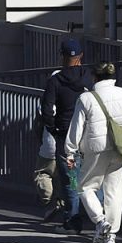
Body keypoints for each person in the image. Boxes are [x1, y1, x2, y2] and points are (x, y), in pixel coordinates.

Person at [63, 61, 122, 243]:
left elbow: (76, 127)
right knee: (115, 191)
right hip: (120, 148)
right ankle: (111, 235)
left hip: (96, 148)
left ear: (95, 77)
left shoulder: (86, 98)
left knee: (84, 186)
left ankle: (100, 221)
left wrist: (70, 151)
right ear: (113, 77)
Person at [39, 39, 94, 229]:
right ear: (81, 57)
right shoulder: (88, 77)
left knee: (71, 179)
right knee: (92, 177)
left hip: (65, 135)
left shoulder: (55, 80)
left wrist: (53, 129)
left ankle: (72, 220)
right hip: (87, 135)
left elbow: (47, 109)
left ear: (62, 56)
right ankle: (100, 219)